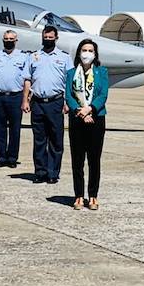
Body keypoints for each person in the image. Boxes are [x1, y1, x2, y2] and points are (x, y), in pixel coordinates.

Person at [23, 25, 70, 184]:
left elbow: (69, 81)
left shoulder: (64, 57)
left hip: (55, 102)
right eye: (45, 37)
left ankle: (52, 173)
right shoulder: (34, 56)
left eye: (51, 37)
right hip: (37, 103)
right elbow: (27, 79)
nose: (48, 40)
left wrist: (67, 102)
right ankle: (40, 172)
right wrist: (25, 100)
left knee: (56, 140)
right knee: (39, 140)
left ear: (56, 38)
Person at [66, 39, 109, 210]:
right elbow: (68, 95)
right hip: (77, 118)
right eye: (84, 50)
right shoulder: (70, 73)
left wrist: (89, 109)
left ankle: (92, 196)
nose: (87, 53)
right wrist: (80, 111)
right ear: (79, 53)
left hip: (96, 118)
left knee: (94, 160)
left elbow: (103, 94)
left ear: (95, 54)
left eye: (90, 50)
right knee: (77, 160)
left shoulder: (102, 72)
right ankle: (78, 195)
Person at [0, 29, 29, 168]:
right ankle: (1, 157)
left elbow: (28, 79)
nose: (8, 41)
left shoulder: (23, 56)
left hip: (16, 96)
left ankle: (12, 158)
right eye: (6, 39)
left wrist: (26, 99)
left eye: (11, 39)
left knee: (15, 130)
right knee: (0, 129)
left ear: (16, 40)